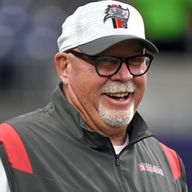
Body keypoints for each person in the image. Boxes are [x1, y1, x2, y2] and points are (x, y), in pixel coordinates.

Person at [0, 0, 188, 191]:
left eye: (136, 60)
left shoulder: (169, 163)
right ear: (65, 67)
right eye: (107, 61)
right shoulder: (11, 146)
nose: (125, 75)